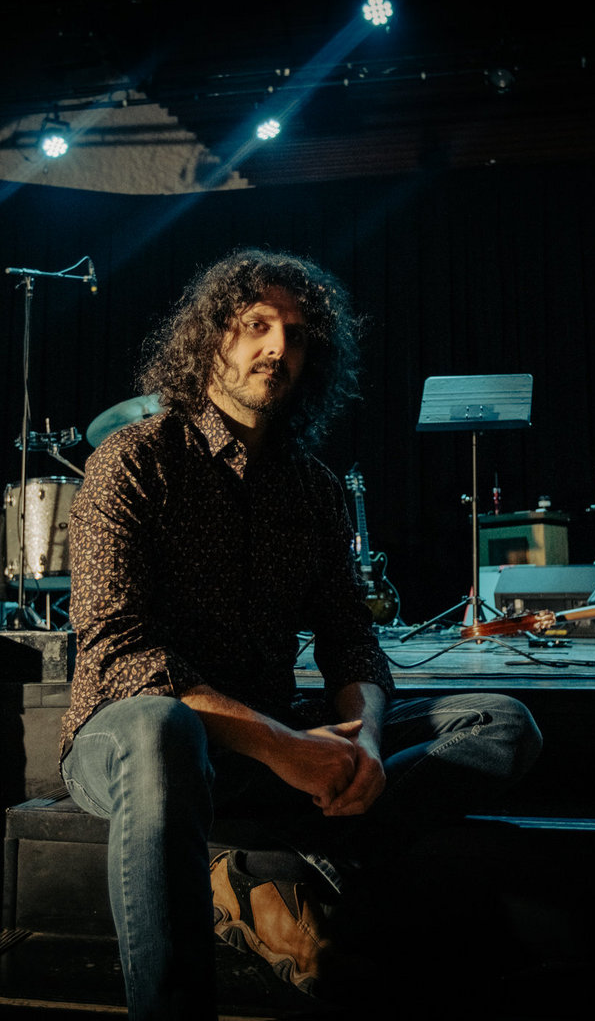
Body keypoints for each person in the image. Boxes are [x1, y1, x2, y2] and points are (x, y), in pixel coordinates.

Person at [59, 248, 543, 1020]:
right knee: (160, 727)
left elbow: (352, 642)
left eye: (296, 333)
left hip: (268, 745)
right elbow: (122, 653)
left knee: (501, 722)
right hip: (133, 745)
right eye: (257, 325)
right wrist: (285, 747)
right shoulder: (133, 461)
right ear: (211, 337)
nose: (278, 347)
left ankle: (270, 866)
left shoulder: (313, 488)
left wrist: (366, 744)